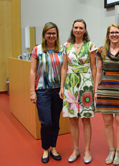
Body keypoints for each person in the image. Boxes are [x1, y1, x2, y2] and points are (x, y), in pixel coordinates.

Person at [59, 19, 97, 164]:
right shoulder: (66, 46)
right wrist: (62, 87)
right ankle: (76, 149)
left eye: (81, 28)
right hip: (70, 84)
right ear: (72, 29)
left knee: (86, 119)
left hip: (86, 83)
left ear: (85, 30)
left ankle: (87, 149)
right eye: (76, 27)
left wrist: (94, 88)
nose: (78, 30)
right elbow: (64, 67)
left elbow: (94, 67)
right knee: (72, 119)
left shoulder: (90, 45)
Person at [94, 23, 119, 165]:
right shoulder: (101, 51)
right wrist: (96, 90)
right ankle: (111, 150)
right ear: (108, 35)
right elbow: (98, 72)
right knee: (107, 122)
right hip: (105, 90)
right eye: (111, 32)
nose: (114, 35)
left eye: (117, 32)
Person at [30, 22, 63, 163]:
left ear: (57, 35)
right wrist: (32, 91)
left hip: (57, 91)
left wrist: (62, 87)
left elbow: (64, 69)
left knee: (55, 121)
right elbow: (32, 71)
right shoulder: (37, 50)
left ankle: (54, 147)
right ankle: (45, 149)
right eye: (48, 33)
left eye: (54, 33)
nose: (51, 35)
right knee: (46, 122)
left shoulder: (62, 49)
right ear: (44, 34)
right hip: (42, 91)